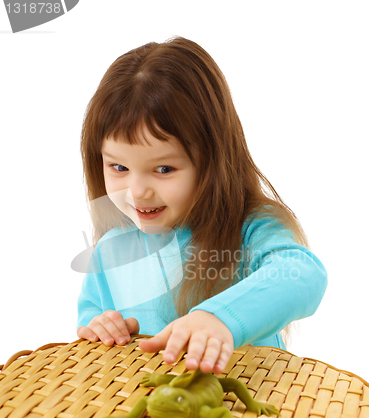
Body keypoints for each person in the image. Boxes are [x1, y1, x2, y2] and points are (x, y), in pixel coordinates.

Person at [76, 36, 328, 374]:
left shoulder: (251, 228)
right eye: (118, 168)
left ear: (212, 161)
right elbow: (91, 320)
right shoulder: (110, 252)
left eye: (163, 169)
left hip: (252, 415)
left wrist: (219, 318)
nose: (136, 193)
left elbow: (304, 276)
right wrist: (101, 327)